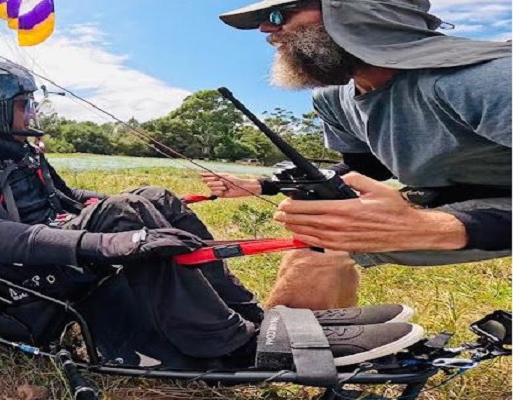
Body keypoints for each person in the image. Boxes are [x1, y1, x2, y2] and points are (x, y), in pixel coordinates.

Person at [0, 59, 423, 371]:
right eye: (25, 104)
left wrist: (97, 209)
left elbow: (60, 197)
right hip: (4, 272)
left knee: (154, 198)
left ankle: (253, 321)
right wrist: (104, 241)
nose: (33, 114)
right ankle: (230, 348)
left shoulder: (11, 146)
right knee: (127, 218)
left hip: (44, 241)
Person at [211, 0, 512, 309]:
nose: (267, 29)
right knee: (324, 240)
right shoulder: (333, 98)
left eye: (280, 15)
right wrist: (264, 186)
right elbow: (366, 168)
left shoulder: (480, 80)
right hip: (457, 194)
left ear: (362, 12)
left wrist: (442, 228)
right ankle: (295, 350)